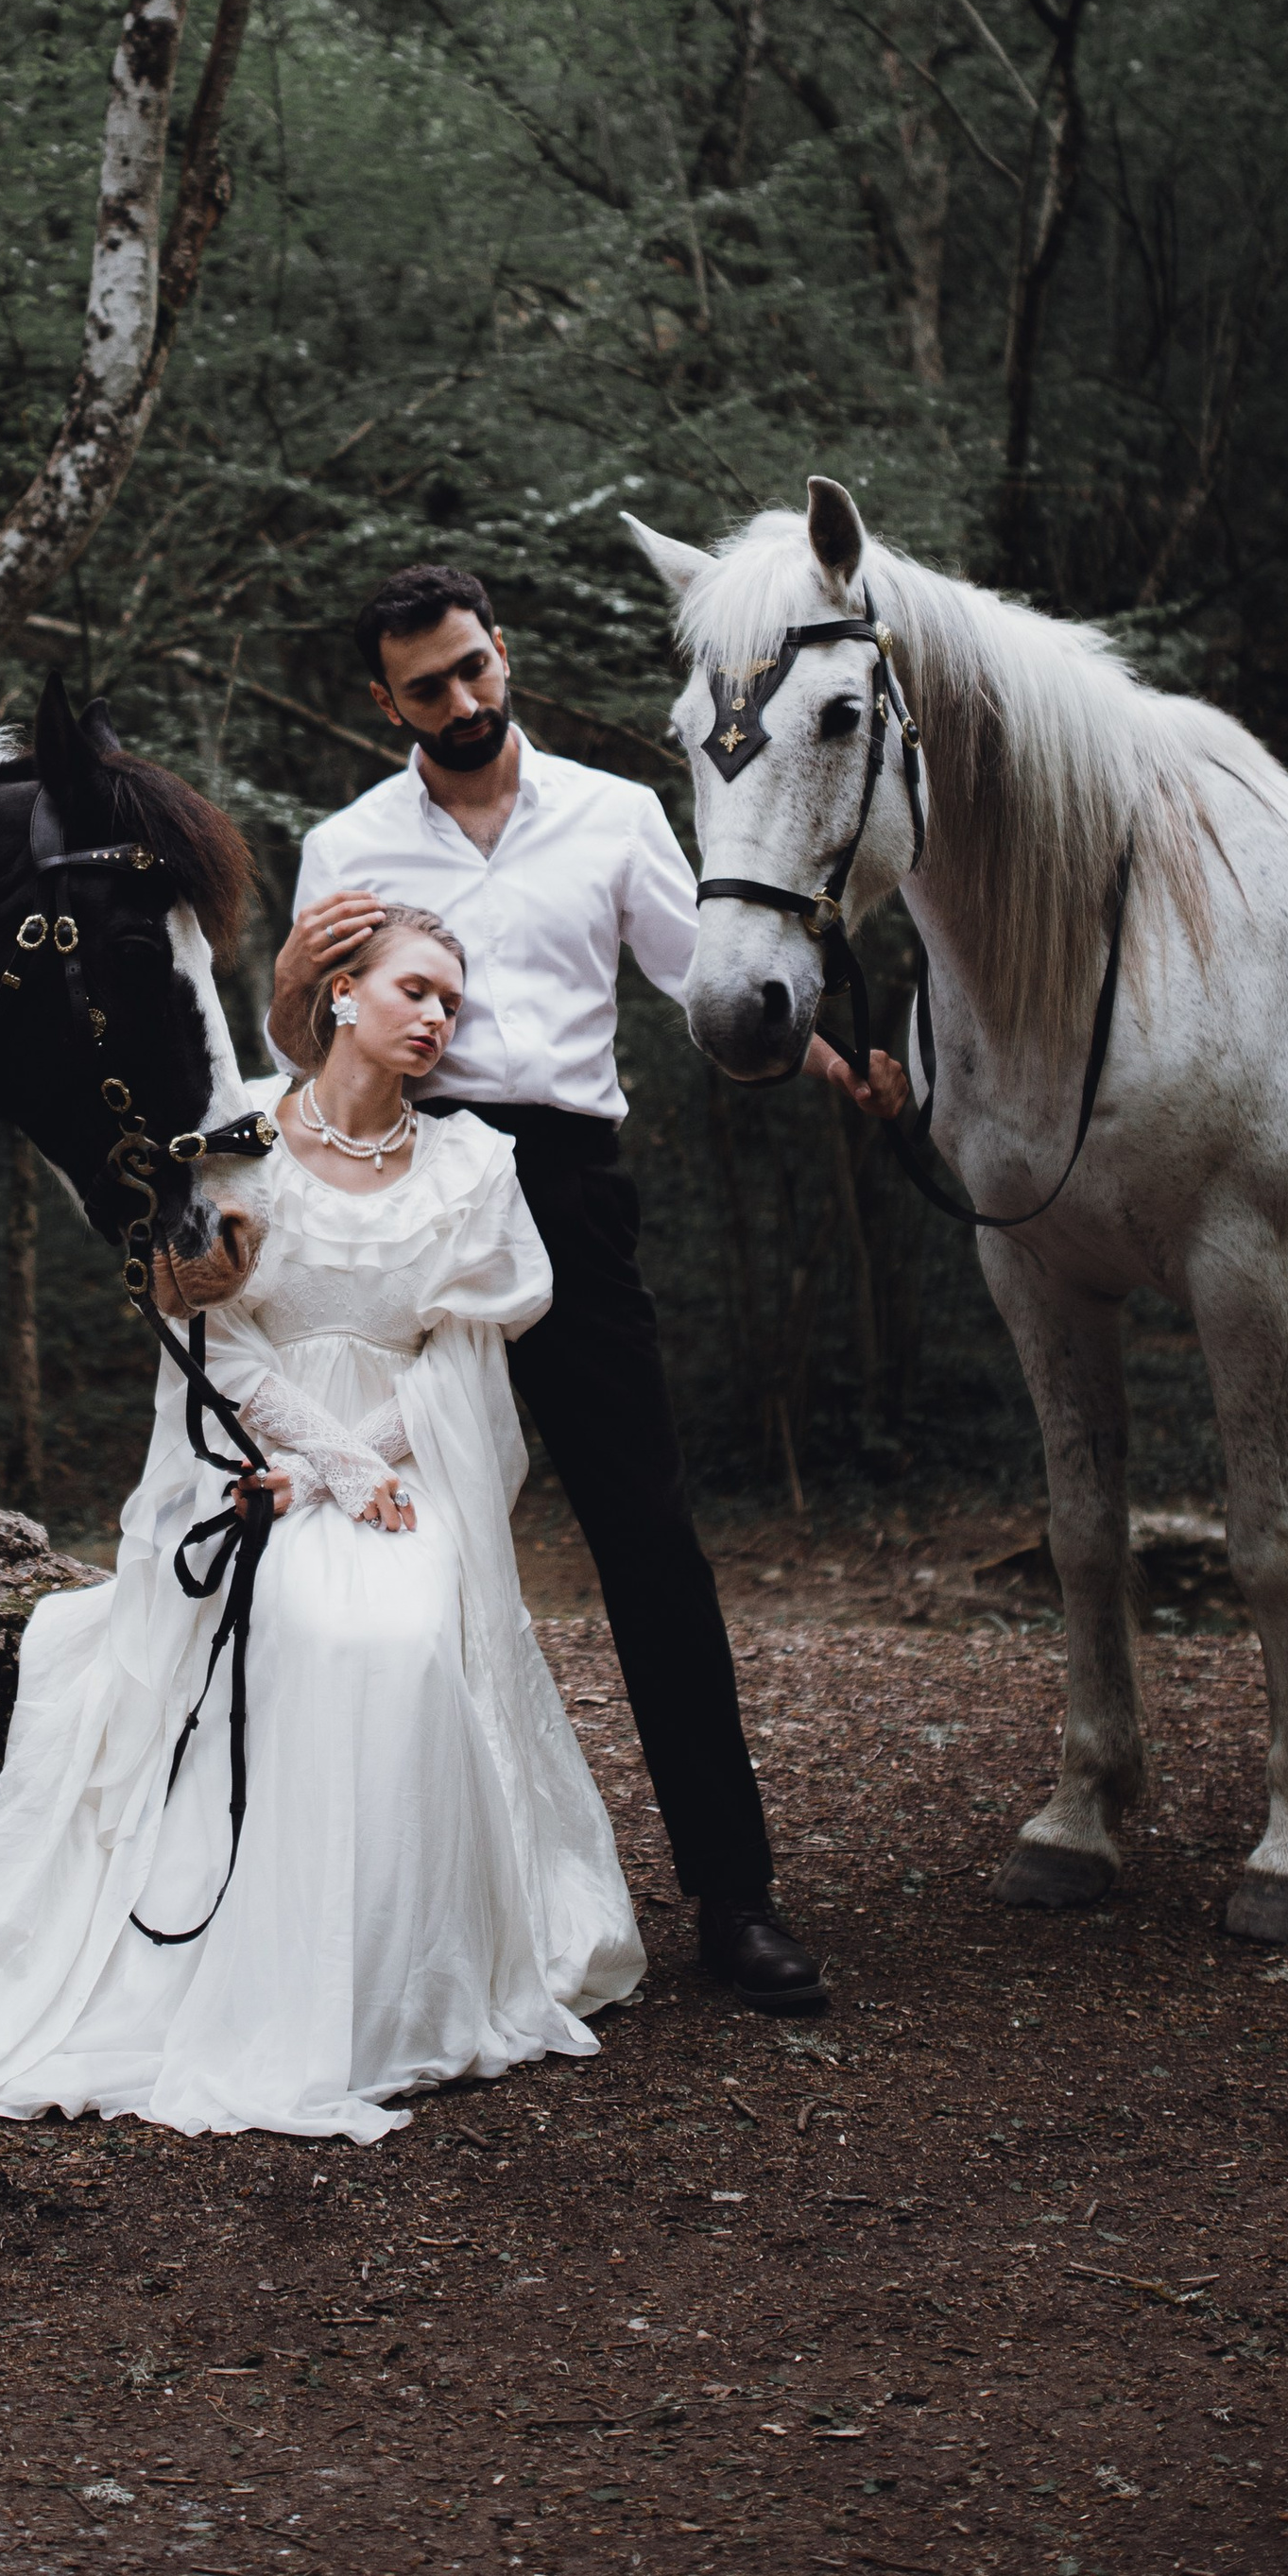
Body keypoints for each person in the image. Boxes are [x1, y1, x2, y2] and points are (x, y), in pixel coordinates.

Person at [0, 904, 644, 2145]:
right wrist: (317, 1463)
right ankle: (243, 1968)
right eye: (413, 989)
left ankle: (392, 1989)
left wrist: (361, 1474)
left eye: (452, 1005)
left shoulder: (474, 1165)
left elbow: (466, 1366)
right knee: (305, 1625)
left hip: (414, 1475)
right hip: (244, 1462)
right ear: (342, 996)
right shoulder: (237, 1135)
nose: (435, 1018)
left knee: (401, 1638)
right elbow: (213, 1333)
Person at [274, 561, 902, 2018]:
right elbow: (312, 1046)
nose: (466, 699)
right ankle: (380, 1915)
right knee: (384, 1539)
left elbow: (718, 987)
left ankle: (734, 1900)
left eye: (477, 666)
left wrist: (843, 1068)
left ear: (507, 655)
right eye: (429, 685)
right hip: (396, 1199)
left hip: (565, 1199)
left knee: (647, 1543)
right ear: (387, 702)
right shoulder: (348, 844)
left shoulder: (617, 817)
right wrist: (287, 986)